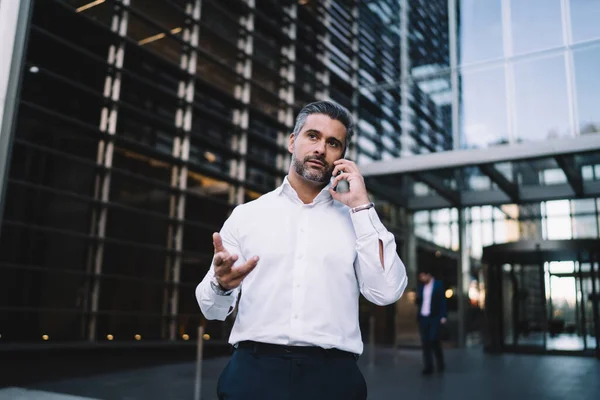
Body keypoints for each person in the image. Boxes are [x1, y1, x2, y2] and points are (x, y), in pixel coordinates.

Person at [196, 100, 408, 400]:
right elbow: (211, 310)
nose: (321, 148)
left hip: (332, 379)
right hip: (253, 374)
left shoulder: (357, 220)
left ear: (341, 158)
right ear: (292, 141)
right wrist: (220, 285)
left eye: (333, 143)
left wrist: (362, 206)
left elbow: (387, 291)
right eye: (313, 136)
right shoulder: (247, 215)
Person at [416, 266, 447, 375]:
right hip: (423, 317)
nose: (422, 278)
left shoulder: (438, 285)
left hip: (434, 318)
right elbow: (419, 301)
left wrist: (443, 316)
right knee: (425, 343)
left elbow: (442, 301)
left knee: (434, 340)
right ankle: (428, 367)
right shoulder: (421, 287)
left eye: (423, 276)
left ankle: (440, 362)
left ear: (429, 275)